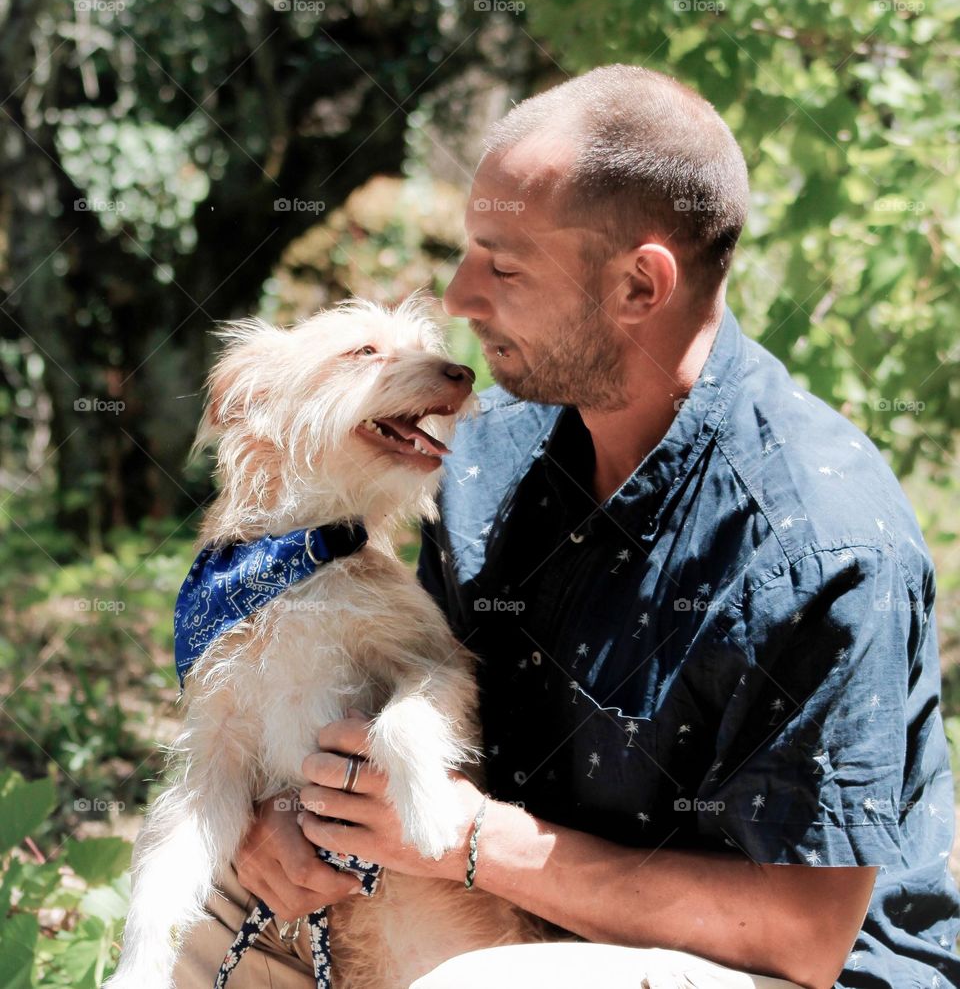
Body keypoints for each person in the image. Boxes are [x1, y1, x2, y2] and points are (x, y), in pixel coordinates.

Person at [172, 65, 959, 989]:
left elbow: (800, 934)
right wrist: (279, 828)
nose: (461, 297)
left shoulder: (819, 544)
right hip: (497, 906)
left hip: (780, 970)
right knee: (209, 909)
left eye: (504, 265)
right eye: (470, 251)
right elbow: (369, 695)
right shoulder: (477, 460)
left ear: (639, 286)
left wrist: (472, 843)